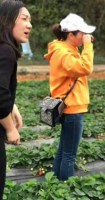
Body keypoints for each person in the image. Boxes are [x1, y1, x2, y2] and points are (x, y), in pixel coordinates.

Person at [44, 13, 96, 181]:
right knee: (69, 155)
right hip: (73, 109)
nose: (86, 36)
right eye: (82, 33)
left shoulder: (65, 49)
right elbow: (85, 67)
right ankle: (66, 190)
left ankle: (57, 185)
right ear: (71, 34)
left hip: (69, 106)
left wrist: (83, 44)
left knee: (63, 151)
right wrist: (87, 46)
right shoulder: (64, 53)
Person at [0, 0, 32, 199]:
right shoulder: (5, 51)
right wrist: (11, 129)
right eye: (24, 19)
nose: (30, 25)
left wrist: (12, 105)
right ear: (7, 20)